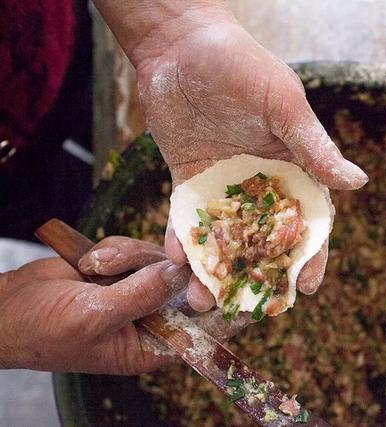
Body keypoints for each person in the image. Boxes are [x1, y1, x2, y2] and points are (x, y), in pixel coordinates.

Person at [0, 1, 367, 374]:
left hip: (43, 44)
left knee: (79, 177)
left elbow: (166, 28)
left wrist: (172, 28)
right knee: (60, 210)